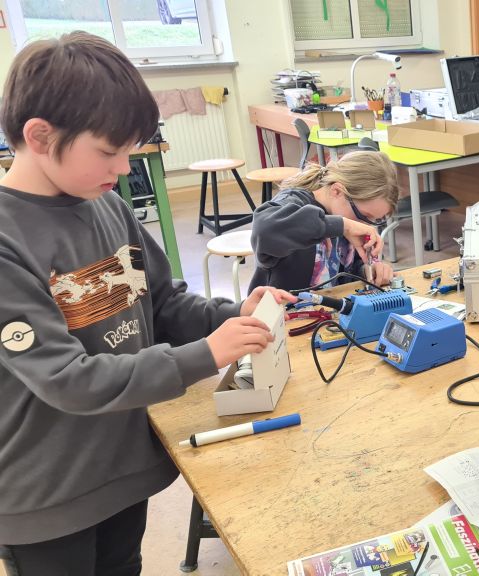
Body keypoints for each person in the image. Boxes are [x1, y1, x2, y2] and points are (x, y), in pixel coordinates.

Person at [0, 32, 294, 575]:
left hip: (122, 464)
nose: (122, 169)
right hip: (46, 492)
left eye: (129, 153)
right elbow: (66, 378)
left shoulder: (108, 205)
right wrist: (206, 355)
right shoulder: (7, 241)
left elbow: (162, 303)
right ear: (40, 136)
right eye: (109, 153)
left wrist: (234, 317)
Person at [248, 151, 400, 293]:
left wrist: (367, 271)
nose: (365, 225)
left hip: (328, 313)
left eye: (374, 220)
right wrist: (343, 226)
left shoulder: (345, 212)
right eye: (364, 216)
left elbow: (345, 270)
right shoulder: (293, 203)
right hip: (283, 316)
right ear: (337, 191)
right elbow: (264, 231)